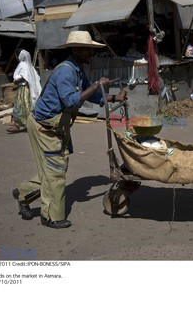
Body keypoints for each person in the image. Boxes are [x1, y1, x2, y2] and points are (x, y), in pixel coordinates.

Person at [12, 31, 127, 229]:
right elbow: (72, 100)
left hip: (55, 127)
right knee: (55, 172)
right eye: (87, 50)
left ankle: (24, 193)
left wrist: (115, 98)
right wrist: (98, 84)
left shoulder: (77, 69)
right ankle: (50, 217)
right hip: (44, 127)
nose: (90, 54)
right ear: (76, 50)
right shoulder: (66, 71)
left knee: (54, 169)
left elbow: (89, 95)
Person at [7, 49, 42, 133]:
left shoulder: (22, 65)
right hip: (29, 89)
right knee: (28, 106)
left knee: (20, 107)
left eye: (16, 55)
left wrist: (16, 81)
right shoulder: (30, 66)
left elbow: (24, 77)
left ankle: (18, 125)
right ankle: (29, 124)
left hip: (24, 89)